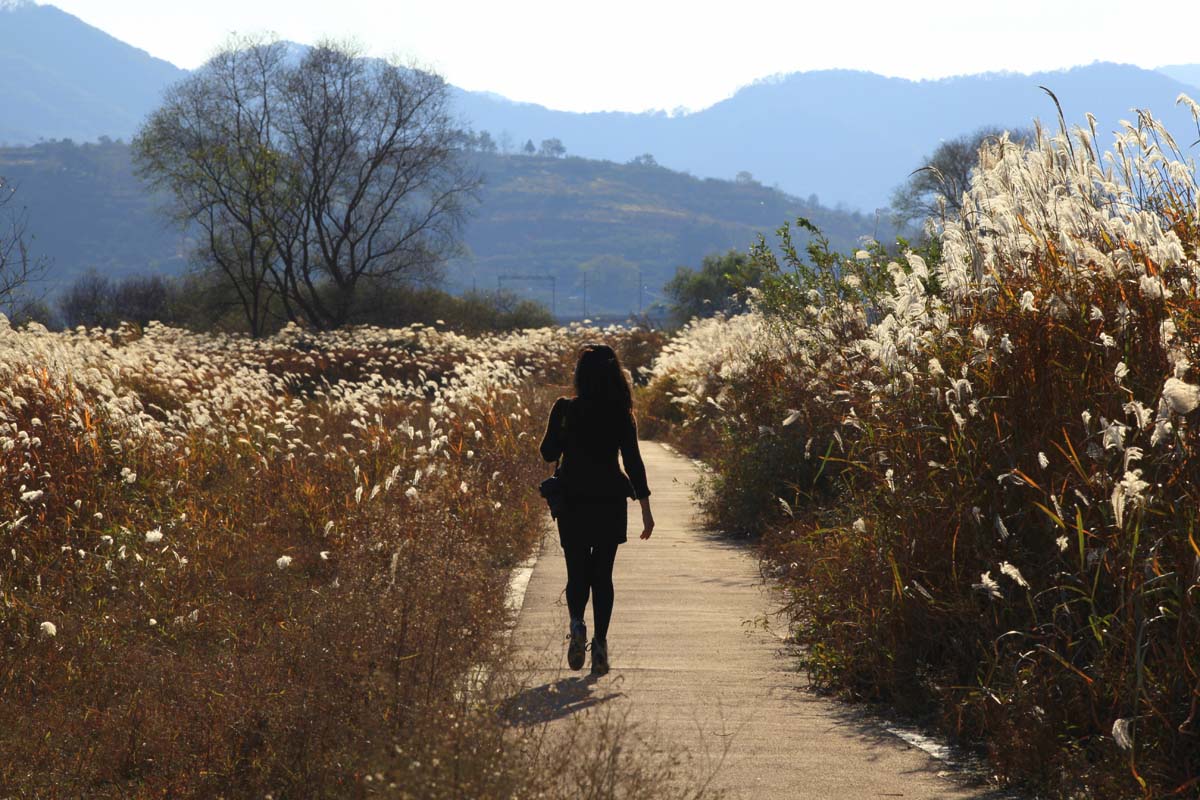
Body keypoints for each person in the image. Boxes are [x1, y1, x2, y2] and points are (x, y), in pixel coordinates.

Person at [539, 343, 654, 675]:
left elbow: (548, 453)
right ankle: (600, 644)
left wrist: (564, 434)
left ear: (580, 375)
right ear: (615, 375)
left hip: (572, 498)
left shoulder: (565, 409)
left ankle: (577, 624)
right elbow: (633, 462)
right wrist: (646, 509)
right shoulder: (621, 413)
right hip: (609, 499)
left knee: (577, 571)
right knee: (602, 575)